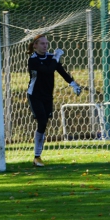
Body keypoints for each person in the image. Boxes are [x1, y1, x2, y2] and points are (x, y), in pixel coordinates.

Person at [26, 34, 81, 167]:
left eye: (46, 43)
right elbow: (48, 70)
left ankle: (37, 157)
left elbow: (61, 71)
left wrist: (73, 83)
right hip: (35, 95)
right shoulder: (32, 60)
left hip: (47, 96)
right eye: (42, 43)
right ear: (35, 45)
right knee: (42, 121)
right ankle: (37, 156)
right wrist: (57, 56)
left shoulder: (51, 58)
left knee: (44, 124)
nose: (45, 46)